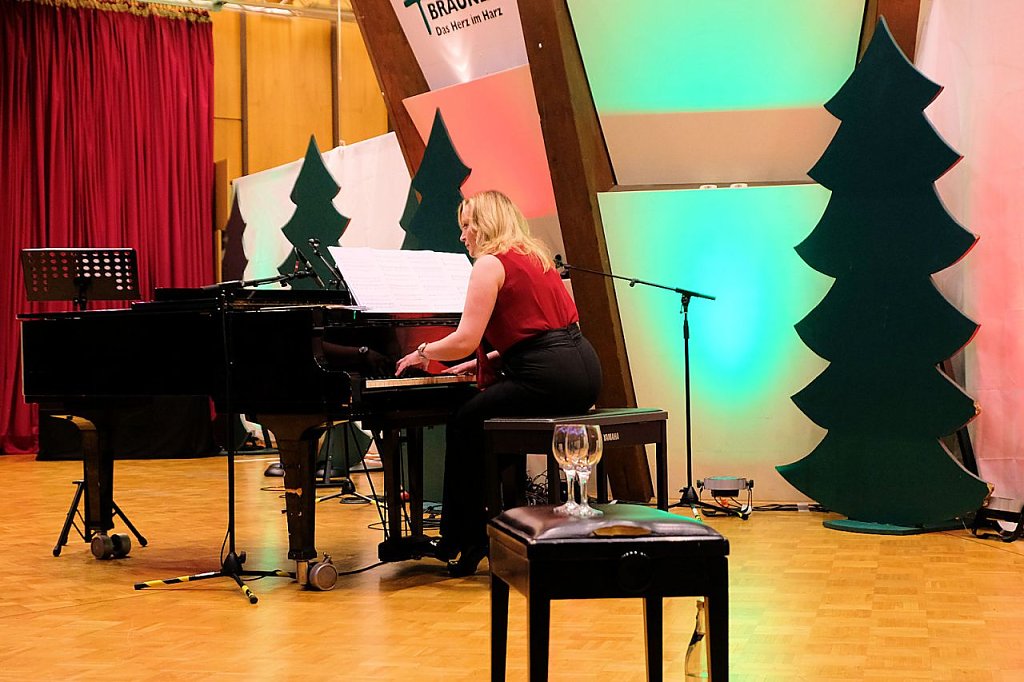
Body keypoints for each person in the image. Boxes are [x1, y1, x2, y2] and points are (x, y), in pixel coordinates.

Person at [395, 190, 602, 576]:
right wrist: (478, 362)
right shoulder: (535, 255)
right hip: (583, 371)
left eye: (467, 226)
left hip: (548, 377)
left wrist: (423, 352)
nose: (463, 236)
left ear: (485, 224)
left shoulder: (490, 264)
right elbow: (538, 335)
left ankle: (464, 538)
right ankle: (500, 522)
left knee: (466, 420)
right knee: (488, 417)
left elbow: (465, 339)